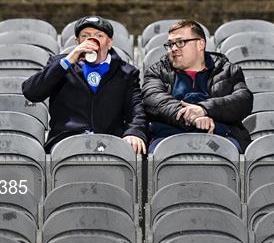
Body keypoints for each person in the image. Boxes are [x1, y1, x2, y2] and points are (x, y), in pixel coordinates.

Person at [22, 16, 147, 154]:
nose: (92, 40)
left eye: (99, 35)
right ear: (77, 42)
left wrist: (134, 132)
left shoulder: (126, 72)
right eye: (85, 36)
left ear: (109, 42)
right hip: (66, 142)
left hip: (110, 142)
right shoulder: (61, 65)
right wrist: (68, 60)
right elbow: (31, 92)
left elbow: (136, 109)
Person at [142, 20, 253, 153]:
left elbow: (243, 100)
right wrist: (192, 118)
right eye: (170, 44)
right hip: (168, 138)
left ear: (200, 44)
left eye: (180, 42)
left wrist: (204, 109)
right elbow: (153, 100)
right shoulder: (157, 71)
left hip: (220, 138)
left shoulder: (227, 70)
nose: (173, 48)